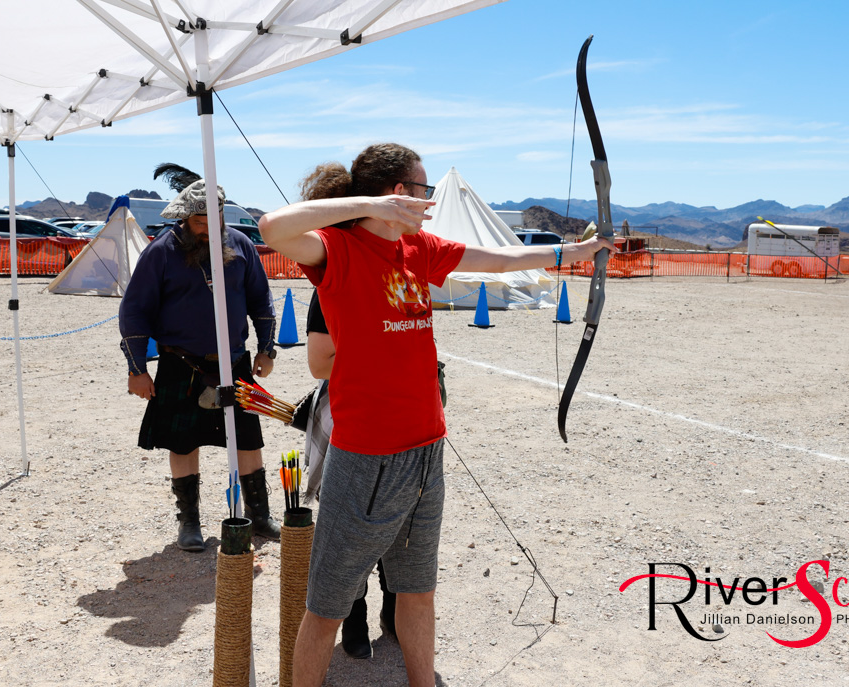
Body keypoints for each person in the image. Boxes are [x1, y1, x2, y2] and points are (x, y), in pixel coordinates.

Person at [259, 143, 615, 687]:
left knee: (417, 591)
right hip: (367, 457)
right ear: (398, 193)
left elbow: (498, 259)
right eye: (423, 190)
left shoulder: (417, 247)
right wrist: (365, 206)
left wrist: (573, 253)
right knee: (328, 604)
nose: (429, 200)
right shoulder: (337, 248)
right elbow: (271, 227)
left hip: (426, 449)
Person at [119, 167, 282, 553]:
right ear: (184, 219)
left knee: (246, 437)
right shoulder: (161, 252)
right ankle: (189, 521)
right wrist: (137, 369)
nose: (209, 229)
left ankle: (259, 516)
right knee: (183, 441)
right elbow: (135, 312)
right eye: (199, 221)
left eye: (215, 219)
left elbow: (261, 300)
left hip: (236, 361)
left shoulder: (240, 244)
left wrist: (266, 348)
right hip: (181, 364)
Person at [304, 290, 397, 659]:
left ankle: (393, 609)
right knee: (351, 523)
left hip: (402, 406)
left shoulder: (402, 270)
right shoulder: (333, 280)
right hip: (351, 409)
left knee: (398, 518)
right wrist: (385, 350)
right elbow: (321, 363)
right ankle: (354, 616)